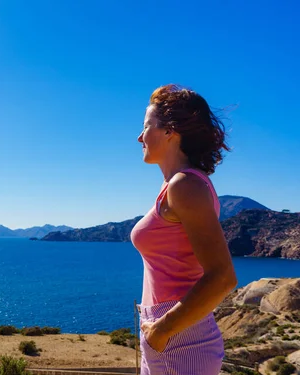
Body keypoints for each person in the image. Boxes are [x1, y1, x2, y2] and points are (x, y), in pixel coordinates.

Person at [130, 84, 238, 374]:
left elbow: (223, 277)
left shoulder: (185, 185)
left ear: (170, 131)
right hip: (172, 337)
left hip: (178, 341)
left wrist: (161, 331)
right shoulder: (178, 186)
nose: (139, 136)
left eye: (146, 126)